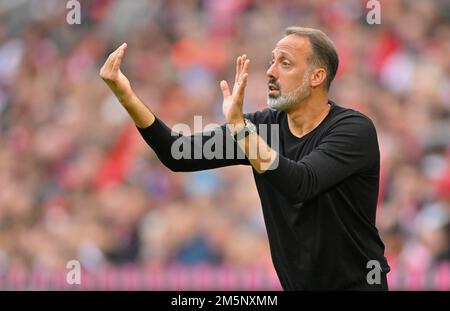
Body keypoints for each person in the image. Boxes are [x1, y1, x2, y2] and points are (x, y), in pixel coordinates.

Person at [100, 26, 390, 290]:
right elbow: (177, 153)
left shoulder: (353, 130)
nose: (271, 71)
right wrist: (126, 96)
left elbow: (301, 183)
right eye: (272, 61)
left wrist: (241, 130)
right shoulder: (262, 127)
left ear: (317, 76)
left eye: (285, 63)